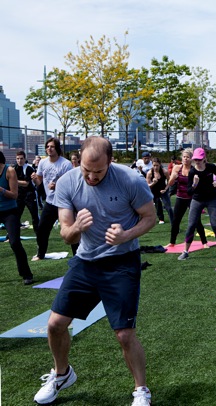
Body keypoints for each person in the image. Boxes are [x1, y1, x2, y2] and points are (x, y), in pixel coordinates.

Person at [33, 136, 155, 406]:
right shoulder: (67, 182)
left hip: (122, 261)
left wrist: (126, 235)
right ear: (79, 161)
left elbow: (150, 217)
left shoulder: (130, 179)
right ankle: (62, 374)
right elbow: (66, 235)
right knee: (55, 325)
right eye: (86, 170)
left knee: (124, 334)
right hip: (86, 262)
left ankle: (141, 389)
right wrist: (77, 227)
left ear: (110, 161)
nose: (91, 176)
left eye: (98, 172)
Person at [178, 148, 216, 261]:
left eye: (199, 159)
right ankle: (185, 251)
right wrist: (195, 184)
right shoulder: (192, 172)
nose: (197, 162)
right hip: (197, 200)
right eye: (195, 159)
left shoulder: (211, 167)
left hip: (212, 199)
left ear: (204, 159)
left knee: (215, 225)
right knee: (191, 225)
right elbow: (189, 191)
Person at [31, 137, 74, 261]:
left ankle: (78, 255)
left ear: (57, 148)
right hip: (50, 203)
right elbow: (39, 180)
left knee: (71, 230)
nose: (49, 149)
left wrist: (57, 186)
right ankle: (40, 254)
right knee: (42, 230)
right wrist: (35, 179)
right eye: (47, 146)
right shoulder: (43, 163)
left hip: (65, 203)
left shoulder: (65, 164)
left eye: (52, 146)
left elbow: (71, 184)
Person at [0, 151, 34, 285]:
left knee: (14, 242)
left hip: (9, 212)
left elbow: (14, 195)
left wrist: (1, 190)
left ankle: (27, 274)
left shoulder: (9, 171)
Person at [166, 149, 208, 248]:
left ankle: (204, 242)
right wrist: (173, 177)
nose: (185, 159)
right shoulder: (177, 168)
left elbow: (198, 186)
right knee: (176, 220)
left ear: (191, 159)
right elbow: (170, 184)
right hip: (180, 197)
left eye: (188, 157)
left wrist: (195, 182)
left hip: (191, 198)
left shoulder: (194, 169)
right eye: (184, 157)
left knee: (197, 221)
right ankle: (172, 242)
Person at [14, 150, 40, 233]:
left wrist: (14, 181)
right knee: (15, 216)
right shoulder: (13, 168)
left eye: (21, 158)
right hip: (19, 195)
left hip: (30, 194)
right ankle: (12, 235)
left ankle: (39, 234)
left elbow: (26, 184)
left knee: (34, 215)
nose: (19, 160)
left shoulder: (28, 168)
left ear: (25, 159)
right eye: (18, 158)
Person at [146, 158, 174, 225]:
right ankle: (161, 218)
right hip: (154, 191)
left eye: (157, 165)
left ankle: (174, 223)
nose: (155, 167)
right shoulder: (150, 173)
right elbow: (147, 186)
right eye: (154, 165)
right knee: (157, 203)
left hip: (163, 190)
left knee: (168, 207)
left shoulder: (164, 172)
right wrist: (153, 183)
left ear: (160, 165)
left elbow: (169, 182)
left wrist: (166, 189)